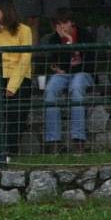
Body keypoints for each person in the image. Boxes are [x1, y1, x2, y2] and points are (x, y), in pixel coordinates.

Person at [40, 9, 96, 155]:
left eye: (65, 22)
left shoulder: (85, 35)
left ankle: (78, 139)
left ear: (72, 22)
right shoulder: (54, 39)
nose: (62, 27)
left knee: (76, 88)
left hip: (84, 73)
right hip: (64, 74)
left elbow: (90, 63)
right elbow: (57, 64)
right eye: (59, 24)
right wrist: (64, 43)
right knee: (51, 90)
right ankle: (54, 141)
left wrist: (70, 42)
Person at [0, 0, 32, 164]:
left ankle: (9, 151)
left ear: (5, 11)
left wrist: (12, 85)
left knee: (16, 115)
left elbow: (25, 58)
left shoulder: (24, 30)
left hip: (20, 78)